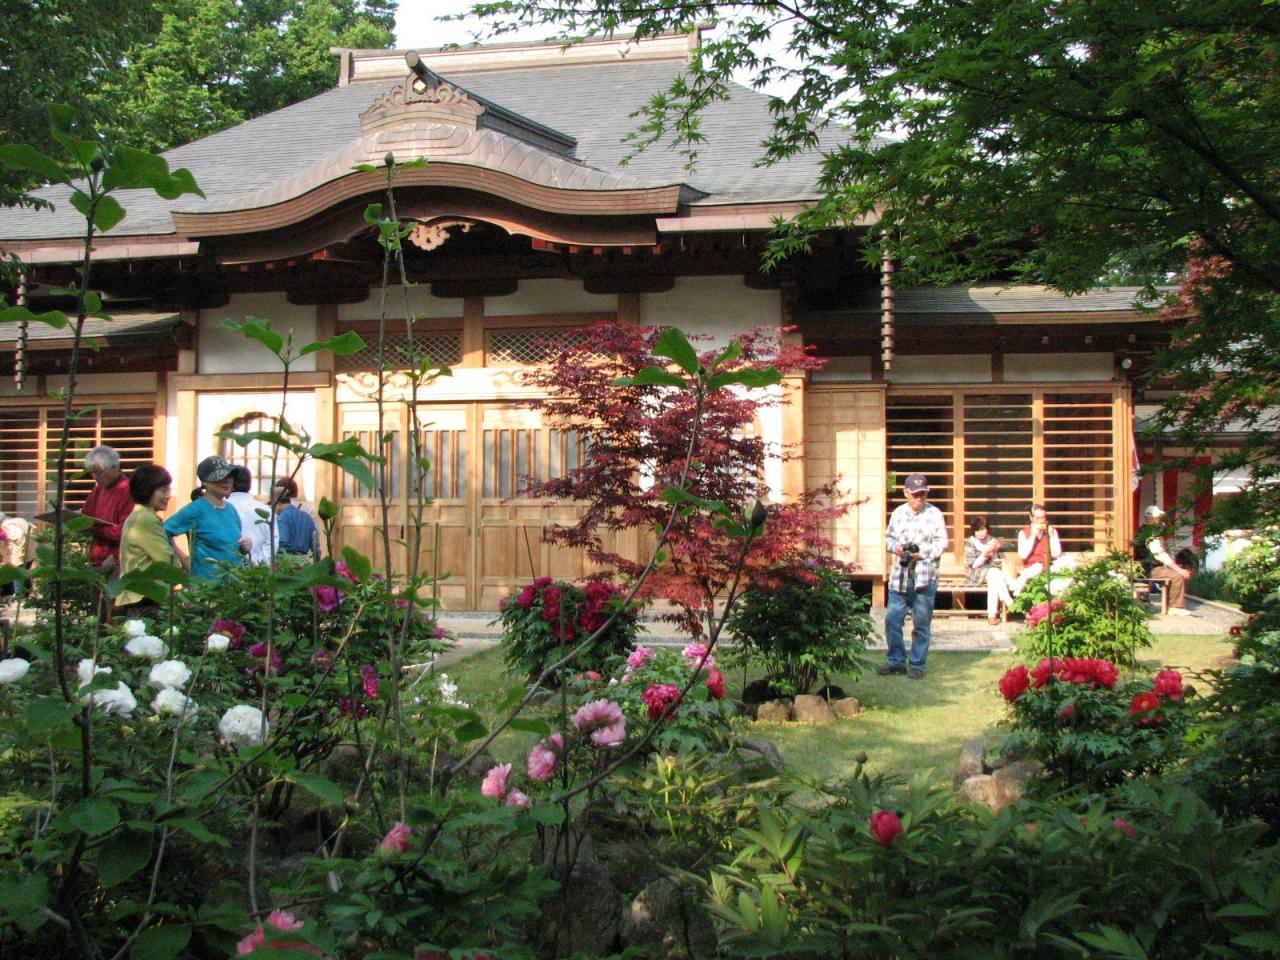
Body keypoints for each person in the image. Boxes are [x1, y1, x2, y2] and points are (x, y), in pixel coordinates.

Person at [880, 472, 949, 679]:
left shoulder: (935, 514)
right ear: (906, 493)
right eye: (916, 494)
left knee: (921, 624)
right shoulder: (898, 513)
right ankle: (896, 661)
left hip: (925, 577)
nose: (920, 498)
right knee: (892, 620)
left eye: (923, 494)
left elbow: (942, 543)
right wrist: (897, 548)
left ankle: (917, 664)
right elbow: (888, 539)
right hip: (900, 577)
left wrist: (923, 554)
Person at [163, 456, 250, 582]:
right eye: (220, 477)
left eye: (230, 476)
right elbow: (163, 531)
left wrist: (243, 548)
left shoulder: (231, 509)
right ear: (205, 482)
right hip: (208, 588)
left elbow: (229, 547)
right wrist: (184, 559)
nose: (226, 481)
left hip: (234, 587)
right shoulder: (196, 509)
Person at [117, 465, 186, 619]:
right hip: (146, 599)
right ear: (147, 490)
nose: (168, 495)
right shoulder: (145, 519)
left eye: (168, 490)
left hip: (136, 597)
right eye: (163, 490)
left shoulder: (138, 515)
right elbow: (169, 562)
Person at [82, 445, 135, 574]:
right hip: (97, 557)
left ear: (113, 467)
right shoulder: (98, 489)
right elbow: (86, 514)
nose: (94, 476)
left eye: (98, 472)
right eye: (92, 472)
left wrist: (96, 529)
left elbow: (125, 531)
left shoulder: (128, 491)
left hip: (117, 559)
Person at [1142, 505, 1194, 616]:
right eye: (1159, 519)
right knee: (1177, 576)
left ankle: (1171, 605)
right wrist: (1180, 570)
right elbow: (1161, 555)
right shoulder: (1152, 535)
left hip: (1145, 567)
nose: (1162, 522)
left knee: (1173, 573)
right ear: (1154, 519)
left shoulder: (1144, 531)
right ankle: (1175, 607)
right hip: (1150, 568)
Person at [964, 515, 1014, 625]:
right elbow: (973, 565)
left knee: (994, 578)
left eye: (982, 529)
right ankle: (1009, 602)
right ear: (973, 531)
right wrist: (985, 554)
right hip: (975, 574)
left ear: (987, 529)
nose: (980, 533)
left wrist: (994, 551)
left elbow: (995, 562)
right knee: (995, 573)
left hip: (991, 573)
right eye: (977, 530)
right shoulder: (970, 542)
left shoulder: (992, 540)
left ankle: (992, 616)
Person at [1011, 503, 1062, 595]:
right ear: (1031, 517)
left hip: (1048, 571)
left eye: (1043, 518)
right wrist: (1033, 535)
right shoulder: (1023, 533)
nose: (1040, 521)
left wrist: (1051, 536)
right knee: (1035, 570)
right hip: (1031, 570)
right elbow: (1023, 555)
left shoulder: (1052, 531)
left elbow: (1056, 554)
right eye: (1037, 518)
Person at [227, 466, 273, 565]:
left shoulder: (221, 509)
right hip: (258, 569)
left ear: (230, 483)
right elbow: (272, 542)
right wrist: (258, 563)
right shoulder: (266, 510)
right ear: (250, 485)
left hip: (227, 568)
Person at [271, 480, 319, 559]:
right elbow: (315, 545)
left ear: (277, 503)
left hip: (288, 561)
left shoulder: (282, 518)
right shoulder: (307, 517)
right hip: (304, 561)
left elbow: (283, 543)